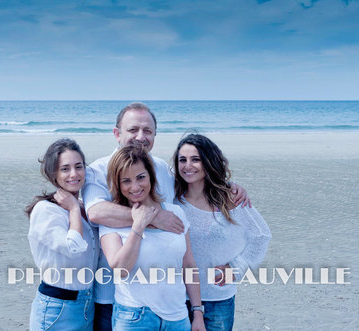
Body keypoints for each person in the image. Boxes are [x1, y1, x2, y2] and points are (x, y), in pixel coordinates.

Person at [82, 102, 250, 331]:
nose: (141, 137)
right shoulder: (98, 169)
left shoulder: (159, 168)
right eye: (133, 130)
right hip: (114, 298)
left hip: (170, 301)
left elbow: (192, 185)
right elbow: (96, 212)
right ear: (116, 133)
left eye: (148, 131)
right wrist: (152, 217)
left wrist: (225, 185)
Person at [99, 143, 205, 330]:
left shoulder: (176, 213)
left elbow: (188, 264)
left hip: (178, 317)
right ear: (117, 183)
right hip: (134, 317)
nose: (135, 186)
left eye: (141, 177)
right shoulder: (111, 220)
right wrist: (139, 225)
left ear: (151, 176)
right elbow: (121, 269)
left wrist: (197, 313)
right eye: (126, 180)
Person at [173, 134, 272, 330]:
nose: (187, 166)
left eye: (195, 159)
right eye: (182, 160)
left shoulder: (229, 198)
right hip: (177, 297)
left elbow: (261, 235)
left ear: (208, 162)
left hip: (218, 298)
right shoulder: (173, 197)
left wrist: (236, 267)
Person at [26, 138, 99, 331]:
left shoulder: (87, 208)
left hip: (87, 305)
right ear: (54, 174)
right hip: (57, 307)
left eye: (79, 166)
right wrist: (74, 209)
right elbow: (73, 248)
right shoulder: (45, 210)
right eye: (65, 169)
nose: (74, 174)